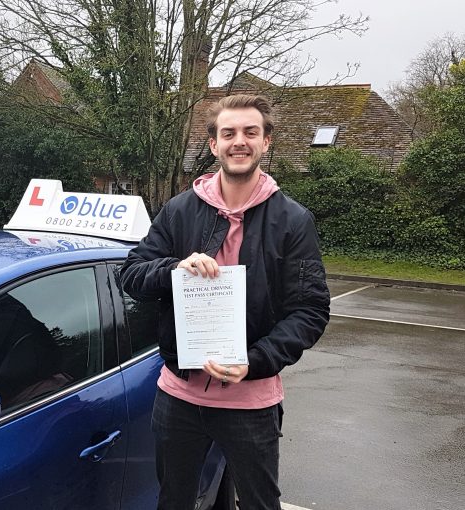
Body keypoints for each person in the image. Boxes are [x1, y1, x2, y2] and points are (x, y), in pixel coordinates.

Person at [120, 94, 330, 510]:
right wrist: (175, 268)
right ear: (214, 145)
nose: (239, 141)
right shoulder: (179, 211)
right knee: (174, 501)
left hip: (250, 401)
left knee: (258, 503)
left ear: (266, 142)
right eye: (228, 133)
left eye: (250, 132)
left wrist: (255, 360)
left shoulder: (292, 220)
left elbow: (310, 311)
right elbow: (131, 273)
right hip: (179, 396)